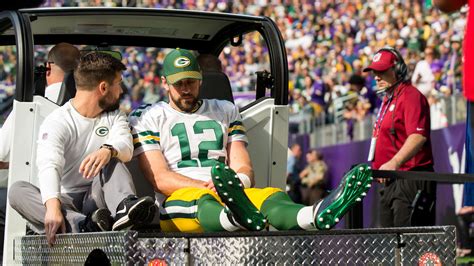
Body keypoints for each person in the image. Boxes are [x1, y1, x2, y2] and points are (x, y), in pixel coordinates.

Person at [129, 48, 372, 233]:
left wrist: (238, 181)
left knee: (270, 196)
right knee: (198, 202)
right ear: (164, 83)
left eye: (190, 82)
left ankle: (313, 215)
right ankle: (234, 217)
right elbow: (160, 178)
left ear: (200, 79)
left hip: (226, 191)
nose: (185, 89)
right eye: (178, 83)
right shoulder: (148, 115)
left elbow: (243, 165)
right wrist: (208, 187)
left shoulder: (224, 109)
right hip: (180, 202)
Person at [8, 52, 156, 246]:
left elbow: (126, 147)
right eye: (119, 83)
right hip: (66, 201)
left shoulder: (115, 116)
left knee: (112, 157)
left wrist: (107, 150)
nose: (121, 91)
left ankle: (123, 210)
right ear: (103, 87)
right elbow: (49, 164)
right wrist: (53, 208)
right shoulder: (59, 121)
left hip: (97, 199)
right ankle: (81, 225)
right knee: (17, 191)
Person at [363, 47, 436, 227]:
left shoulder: (411, 96)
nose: (376, 76)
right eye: (374, 72)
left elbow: (418, 136)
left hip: (409, 176)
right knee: (389, 243)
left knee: (407, 243)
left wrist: (394, 162)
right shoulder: (388, 100)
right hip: (390, 179)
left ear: (398, 70)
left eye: (382, 71)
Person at [0, 42, 80, 169]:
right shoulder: (88, 106)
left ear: (48, 67)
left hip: (31, 185)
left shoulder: (29, 104)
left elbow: (1, 153)